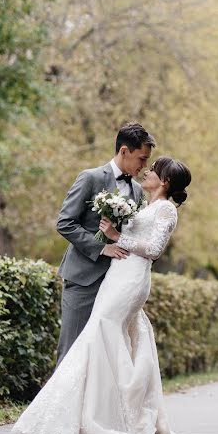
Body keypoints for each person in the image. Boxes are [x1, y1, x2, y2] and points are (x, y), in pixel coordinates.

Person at [12, 156, 194, 434]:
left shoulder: (166, 210)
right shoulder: (147, 204)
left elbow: (154, 250)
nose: (146, 171)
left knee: (101, 331)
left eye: (153, 170)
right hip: (117, 276)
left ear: (164, 182)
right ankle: (103, 412)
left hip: (132, 280)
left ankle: (99, 416)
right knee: (105, 336)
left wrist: (116, 236)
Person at [54, 122, 155, 365]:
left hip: (116, 283)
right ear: (123, 151)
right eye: (141, 159)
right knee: (71, 350)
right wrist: (101, 247)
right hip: (83, 278)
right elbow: (65, 222)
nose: (143, 166)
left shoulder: (139, 192)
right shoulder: (90, 178)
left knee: (104, 354)